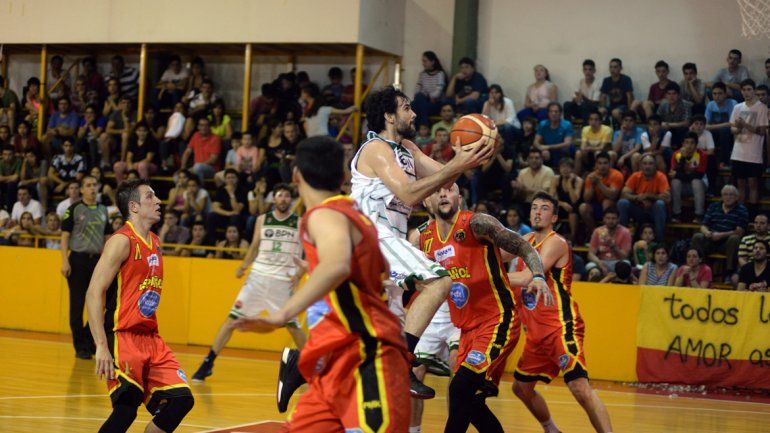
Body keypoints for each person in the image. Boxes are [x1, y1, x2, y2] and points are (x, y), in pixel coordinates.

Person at [233, 136, 410, 432]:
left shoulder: (324, 214)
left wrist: (281, 315)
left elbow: (337, 265)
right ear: (343, 176)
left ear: (296, 176)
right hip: (336, 360)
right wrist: (314, 267)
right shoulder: (358, 217)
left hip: (367, 356)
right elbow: (375, 270)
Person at [349, 85, 493, 398]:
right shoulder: (376, 149)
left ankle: (299, 365)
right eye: (406, 108)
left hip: (387, 240)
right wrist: (456, 165)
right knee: (438, 281)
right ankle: (404, 362)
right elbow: (410, 193)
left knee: (372, 337)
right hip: (370, 235)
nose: (413, 114)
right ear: (389, 116)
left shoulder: (408, 148)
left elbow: (446, 178)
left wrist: (471, 154)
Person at [419, 184, 548, 433]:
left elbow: (522, 246)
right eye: (437, 190)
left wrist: (539, 275)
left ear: (460, 197)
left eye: (450, 189)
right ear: (427, 200)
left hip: (498, 319)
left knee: (459, 388)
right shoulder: (426, 238)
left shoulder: (477, 224)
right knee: (472, 402)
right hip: (467, 330)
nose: (443, 194)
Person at [85, 179, 194, 433]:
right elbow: (93, 292)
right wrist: (101, 346)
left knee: (180, 401)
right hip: (124, 336)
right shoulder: (121, 241)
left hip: (151, 338)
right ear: (134, 206)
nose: (158, 201)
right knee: (126, 408)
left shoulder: (155, 241)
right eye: (151, 197)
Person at [509, 191, 613, 433]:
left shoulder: (555, 242)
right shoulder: (526, 240)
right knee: (521, 388)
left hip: (560, 327)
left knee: (579, 386)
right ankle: (551, 429)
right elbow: (494, 254)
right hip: (536, 335)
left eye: (544, 208)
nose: (537, 211)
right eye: (534, 207)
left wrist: (487, 277)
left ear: (554, 217)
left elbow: (526, 277)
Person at [191, 184, 305, 381]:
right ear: (274, 199)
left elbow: (305, 252)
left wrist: (300, 274)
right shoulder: (262, 220)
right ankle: (208, 362)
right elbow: (254, 246)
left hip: (282, 282)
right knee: (232, 321)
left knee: (293, 327)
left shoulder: (300, 222)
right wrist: (244, 266)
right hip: (258, 277)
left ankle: (311, 367)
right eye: (280, 195)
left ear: (291, 200)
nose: (284, 199)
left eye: (287, 196)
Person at [61, 176, 111, 360]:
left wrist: (107, 261)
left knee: (98, 304)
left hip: (97, 261)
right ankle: (80, 346)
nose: (92, 188)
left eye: (94, 185)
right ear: (81, 190)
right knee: (77, 306)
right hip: (77, 260)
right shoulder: (74, 209)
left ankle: (89, 342)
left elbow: (107, 238)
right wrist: (65, 261)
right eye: (88, 185)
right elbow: (65, 236)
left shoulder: (103, 210)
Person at [691, 185, 747, 278]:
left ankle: (730, 272)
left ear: (737, 197)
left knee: (734, 239)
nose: (728, 197)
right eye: (725, 194)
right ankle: (701, 269)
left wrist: (721, 235)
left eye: (731, 195)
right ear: (721, 196)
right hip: (711, 238)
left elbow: (739, 231)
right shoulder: (714, 206)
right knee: (698, 237)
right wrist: (706, 232)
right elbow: (704, 225)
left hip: (727, 242)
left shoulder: (742, 210)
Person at [730, 79, 767, 211]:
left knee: (753, 184)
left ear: (754, 91)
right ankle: (740, 213)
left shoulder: (761, 107)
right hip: (738, 153)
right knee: (740, 184)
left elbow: (762, 131)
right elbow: (732, 129)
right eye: (744, 90)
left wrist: (745, 125)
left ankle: (752, 214)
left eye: (749, 89)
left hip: (754, 154)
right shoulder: (737, 107)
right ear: (741, 91)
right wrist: (739, 128)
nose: (746, 92)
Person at [618, 154, 670, 241]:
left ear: (655, 165)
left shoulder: (661, 176)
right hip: (639, 210)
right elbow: (623, 194)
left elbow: (667, 199)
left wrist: (649, 196)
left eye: (650, 163)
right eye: (645, 164)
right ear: (641, 166)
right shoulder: (636, 176)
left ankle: (659, 243)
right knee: (622, 203)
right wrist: (638, 198)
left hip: (654, 212)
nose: (647, 166)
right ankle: (623, 240)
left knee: (660, 204)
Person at [579, 152, 623, 237]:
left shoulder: (617, 175)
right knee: (583, 207)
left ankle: (609, 234)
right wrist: (592, 185)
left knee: (606, 202)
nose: (602, 166)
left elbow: (613, 195)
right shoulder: (591, 176)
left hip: (614, 207)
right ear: (596, 165)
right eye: (600, 163)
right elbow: (586, 199)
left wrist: (599, 184)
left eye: (605, 163)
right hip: (597, 206)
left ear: (610, 164)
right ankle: (595, 234)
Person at [669, 132, 707, 223]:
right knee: (675, 182)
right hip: (683, 187)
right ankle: (676, 214)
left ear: (696, 145)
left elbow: (698, 175)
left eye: (692, 143)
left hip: (699, 187)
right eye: (687, 142)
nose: (689, 146)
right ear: (683, 144)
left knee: (696, 182)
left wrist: (678, 175)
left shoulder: (702, 155)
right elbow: (673, 174)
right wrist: (682, 158)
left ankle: (699, 215)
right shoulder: (676, 154)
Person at [587, 206, 632, 277]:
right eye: (608, 218)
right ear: (604, 219)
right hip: (601, 261)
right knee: (591, 267)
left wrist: (613, 246)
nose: (611, 221)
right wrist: (599, 262)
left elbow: (625, 256)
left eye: (613, 218)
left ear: (618, 219)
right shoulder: (597, 231)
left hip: (618, 262)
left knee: (626, 264)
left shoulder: (625, 232)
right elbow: (590, 254)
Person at [705, 82, 737, 170]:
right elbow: (705, 126)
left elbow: (732, 124)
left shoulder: (733, 103)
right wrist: (725, 124)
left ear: (725, 94)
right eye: (714, 94)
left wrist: (725, 125)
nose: (717, 96)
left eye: (720, 93)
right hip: (715, 133)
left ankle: (725, 162)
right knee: (706, 133)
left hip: (729, 133)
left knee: (724, 131)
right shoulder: (710, 104)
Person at [549, 157, 582, 240]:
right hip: (561, 206)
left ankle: (573, 236)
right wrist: (563, 204)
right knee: (550, 208)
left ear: (572, 169)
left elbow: (574, 200)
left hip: (575, 208)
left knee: (573, 211)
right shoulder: (556, 179)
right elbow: (550, 198)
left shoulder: (578, 181)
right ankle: (549, 235)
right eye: (563, 167)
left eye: (568, 167)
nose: (565, 169)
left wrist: (570, 184)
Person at [413, 51, 448, 127]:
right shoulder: (422, 74)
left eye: (425, 61)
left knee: (417, 105)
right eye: (422, 61)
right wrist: (426, 96)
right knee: (415, 102)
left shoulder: (440, 74)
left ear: (432, 62)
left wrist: (428, 96)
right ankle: (423, 126)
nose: (423, 63)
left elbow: (438, 92)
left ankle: (420, 127)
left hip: (436, 103)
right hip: (424, 100)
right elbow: (417, 90)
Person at [564, 59, 602, 123]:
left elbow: (595, 103)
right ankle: (567, 127)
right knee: (567, 104)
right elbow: (574, 98)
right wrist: (576, 99)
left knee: (585, 105)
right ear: (583, 71)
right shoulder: (580, 82)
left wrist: (583, 97)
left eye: (590, 69)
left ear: (594, 71)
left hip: (592, 110)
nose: (587, 72)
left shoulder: (598, 83)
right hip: (580, 109)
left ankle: (585, 129)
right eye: (585, 69)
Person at [599, 58, 634, 124]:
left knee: (615, 112)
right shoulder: (606, 80)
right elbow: (603, 97)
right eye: (611, 67)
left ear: (620, 68)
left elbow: (630, 96)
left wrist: (629, 113)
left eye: (615, 67)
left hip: (623, 106)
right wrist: (602, 108)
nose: (612, 69)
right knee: (600, 111)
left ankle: (624, 128)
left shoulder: (626, 79)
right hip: (611, 106)